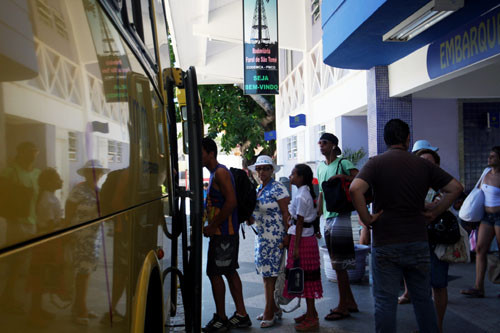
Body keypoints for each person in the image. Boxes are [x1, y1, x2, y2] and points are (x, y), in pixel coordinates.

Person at [349, 119, 463, 333]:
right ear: (408, 139)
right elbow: (456, 188)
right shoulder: (423, 164)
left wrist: (367, 218)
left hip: (385, 242)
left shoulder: (375, 163)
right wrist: (435, 212)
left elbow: (355, 189)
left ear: (385, 140)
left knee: (385, 301)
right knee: (423, 300)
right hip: (417, 241)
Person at [201, 137, 251, 332]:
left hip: (224, 233)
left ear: (211, 153)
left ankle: (222, 318)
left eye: (201, 152)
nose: (198, 156)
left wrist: (213, 226)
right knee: (229, 272)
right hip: (224, 232)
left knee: (214, 273)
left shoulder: (220, 172)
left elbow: (231, 202)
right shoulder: (216, 173)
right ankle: (241, 314)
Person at [316, 133, 359, 320]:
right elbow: (321, 194)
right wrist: (316, 219)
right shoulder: (320, 168)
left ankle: (343, 306)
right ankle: (350, 302)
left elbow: (360, 181)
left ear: (333, 145)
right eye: (319, 143)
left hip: (341, 216)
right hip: (328, 218)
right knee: (337, 261)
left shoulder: (344, 163)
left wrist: (343, 176)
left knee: (339, 264)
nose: (321, 146)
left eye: (324, 143)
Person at [247, 155, 290, 328]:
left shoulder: (278, 189)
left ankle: (269, 312)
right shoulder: (259, 188)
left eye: (265, 168)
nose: (261, 172)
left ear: (272, 170)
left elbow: (287, 214)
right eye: (258, 169)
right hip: (262, 238)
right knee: (266, 274)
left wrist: (287, 235)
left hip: (275, 239)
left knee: (270, 276)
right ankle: (274, 308)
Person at [66, 159, 109, 325]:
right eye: (92, 172)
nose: (95, 175)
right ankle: (80, 309)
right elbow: (69, 210)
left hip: (94, 238)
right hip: (80, 237)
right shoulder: (79, 190)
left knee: (86, 272)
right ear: (85, 174)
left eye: (97, 172)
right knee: (82, 273)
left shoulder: (98, 191)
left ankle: (79, 307)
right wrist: (66, 232)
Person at [0, 141, 40, 314]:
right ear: (20, 152)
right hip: (17, 223)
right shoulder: (10, 172)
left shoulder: (38, 174)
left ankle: (13, 298)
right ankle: (7, 299)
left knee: (23, 266)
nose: (32, 155)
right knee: (13, 265)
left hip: (33, 223)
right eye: (29, 151)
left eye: (35, 151)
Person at [283, 164, 323, 331]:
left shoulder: (301, 196)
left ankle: (312, 316)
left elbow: (300, 223)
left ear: (301, 178)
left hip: (303, 241)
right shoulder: (303, 192)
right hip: (306, 238)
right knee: (305, 277)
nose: (291, 177)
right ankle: (310, 313)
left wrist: (296, 247)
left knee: (305, 278)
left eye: (293, 174)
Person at [461, 146, 500, 298]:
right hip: (486, 216)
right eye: (489, 155)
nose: (489, 158)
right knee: (479, 249)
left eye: (493, 156)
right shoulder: (486, 173)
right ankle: (478, 287)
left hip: (499, 216)